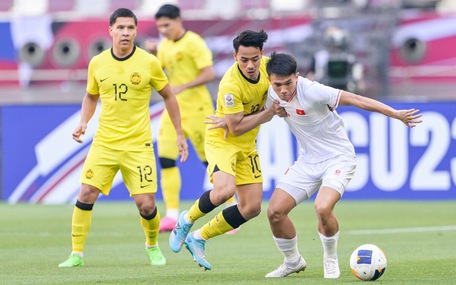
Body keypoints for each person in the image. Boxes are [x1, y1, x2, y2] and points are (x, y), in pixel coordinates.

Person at [263, 52, 422, 278]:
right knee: (274, 212)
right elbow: (259, 114)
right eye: (278, 84)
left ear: (297, 77)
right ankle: (292, 262)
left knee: (322, 207)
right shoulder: (271, 93)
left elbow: (357, 99)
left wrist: (394, 113)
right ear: (270, 80)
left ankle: (330, 257)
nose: (284, 90)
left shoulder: (313, 90)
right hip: (307, 161)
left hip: (338, 158)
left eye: (288, 83)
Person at [58, 8, 188, 268]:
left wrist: (179, 133)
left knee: (146, 204)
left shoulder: (149, 62)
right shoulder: (98, 62)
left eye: (130, 28)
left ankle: (152, 246)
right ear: (111, 31)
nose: (126, 32)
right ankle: (76, 254)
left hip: (137, 145)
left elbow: (169, 96)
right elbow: (91, 95)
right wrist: (83, 121)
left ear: (136, 31)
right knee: (86, 193)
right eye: (121, 28)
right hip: (105, 143)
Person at [168, 30, 286, 270]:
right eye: (244, 60)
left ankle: (199, 237)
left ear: (261, 54)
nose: (250, 65)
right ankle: (185, 221)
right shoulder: (230, 84)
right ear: (235, 57)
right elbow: (235, 128)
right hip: (223, 140)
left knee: (252, 208)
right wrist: (268, 112)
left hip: (247, 146)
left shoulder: (268, 68)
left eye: (254, 59)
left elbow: (289, 81)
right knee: (223, 191)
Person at [144, 4, 239, 233]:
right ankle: (172, 214)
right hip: (173, 111)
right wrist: (155, 55)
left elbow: (209, 73)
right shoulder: (165, 45)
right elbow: (163, 70)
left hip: (198, 110)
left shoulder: (194, 42)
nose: (164, 30)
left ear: (179, 20)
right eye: (160, 26)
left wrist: (182, 87)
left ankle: (232, 207)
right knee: (166, 159)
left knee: (211, 161)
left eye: (167, 25)